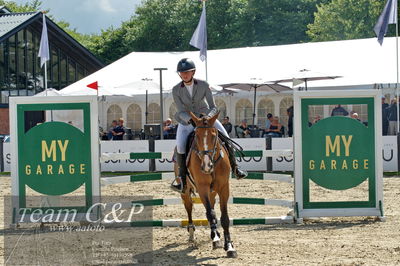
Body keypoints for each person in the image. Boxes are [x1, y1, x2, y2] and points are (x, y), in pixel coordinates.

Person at [171, 58, 247, 193]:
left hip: (206, 119)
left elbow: (213, 107)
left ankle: (236, 168)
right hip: (186, 121)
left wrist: (208, 117)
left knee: (226, 137)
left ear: (193, 72)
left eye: (187, 72)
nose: (184, 75)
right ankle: (182, 180)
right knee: (181, 147)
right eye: (182, 73)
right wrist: (191, 119)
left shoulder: (203, 85)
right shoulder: (176, 89)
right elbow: (180, 110)